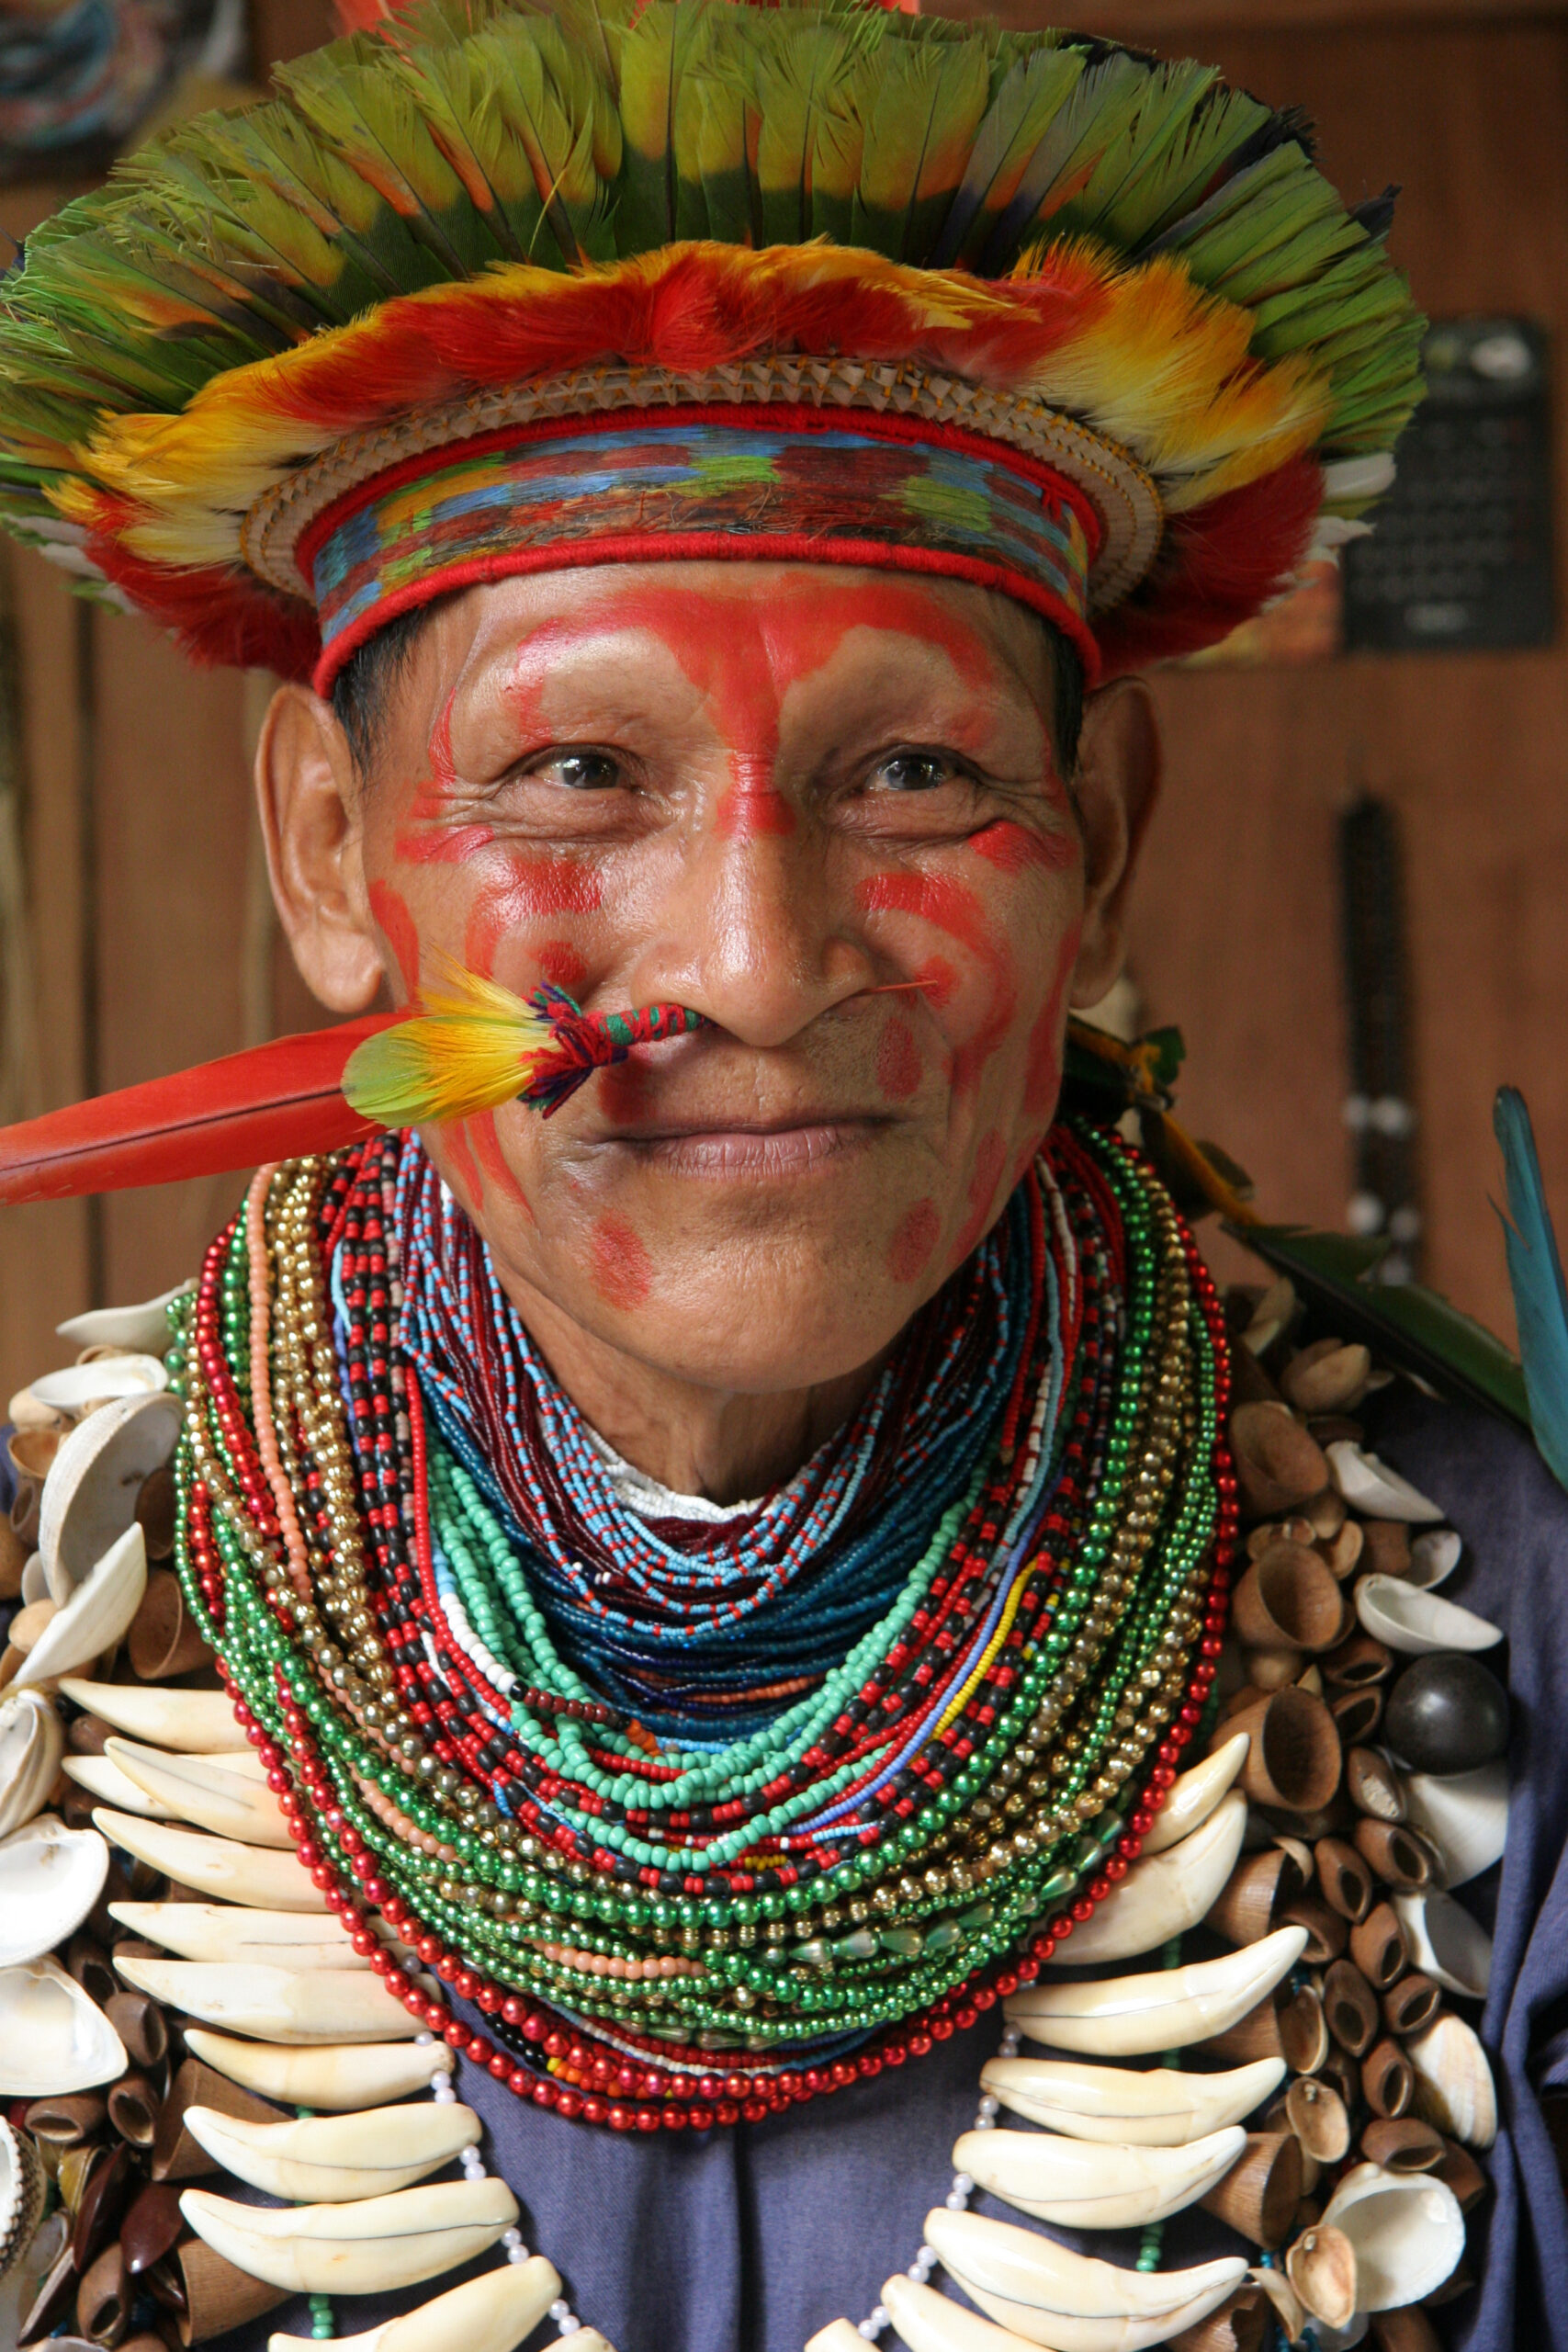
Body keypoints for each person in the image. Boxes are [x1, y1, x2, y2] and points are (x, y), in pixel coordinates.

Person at [0, 4, 1559, 2348]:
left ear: (1098, 841)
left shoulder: (1501, 1617)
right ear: (332, 856)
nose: (748, 963)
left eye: (913, 771)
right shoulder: (55, 1655)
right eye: (576, 772)